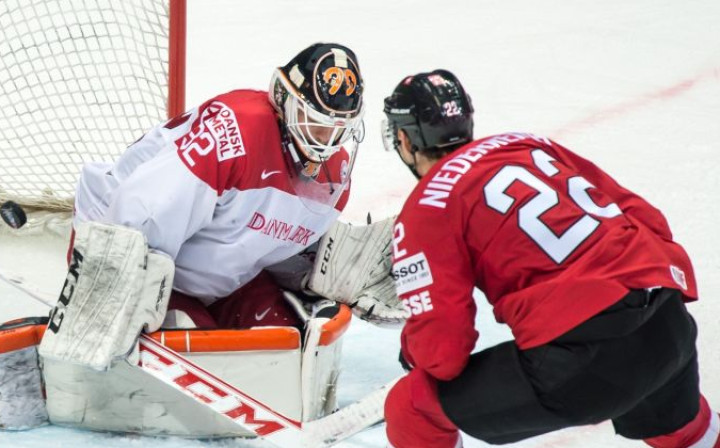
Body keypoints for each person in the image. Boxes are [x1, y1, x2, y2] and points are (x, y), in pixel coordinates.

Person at [381, 69, 718, 448]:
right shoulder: (526, 143)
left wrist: (414, 350)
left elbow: (443, 352)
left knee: (411, 407)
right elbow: (647, 218)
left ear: (404, 138)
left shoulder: (428, 204)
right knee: (680, 428)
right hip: (668, 323)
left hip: (588, 361)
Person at [71, 42, 364, 330]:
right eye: (312, 121)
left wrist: (325, 272)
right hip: (121, 243)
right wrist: (109, 289)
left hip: (218, 278)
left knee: (282, 340)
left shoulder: (333, 176)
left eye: (337, 130)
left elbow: (270, 245)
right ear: (282, 96)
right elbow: (139, 212)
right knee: (196, 354)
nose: (324, 140)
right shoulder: (236, 132)